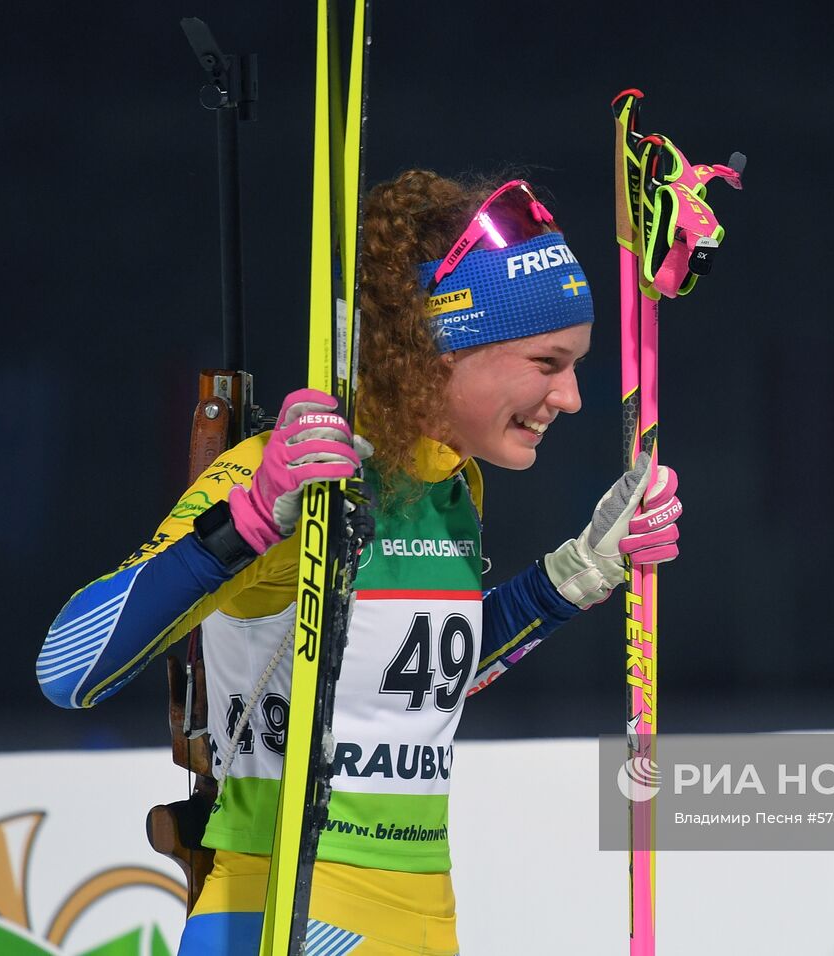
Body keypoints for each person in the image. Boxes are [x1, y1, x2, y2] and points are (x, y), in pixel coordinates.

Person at [35, 170, 683, 955]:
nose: (572, 397)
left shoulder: (453, 485)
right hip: (284, 907)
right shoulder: (282, 475)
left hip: (421, 917)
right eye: (547, 363)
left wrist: (576, 574)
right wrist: (245, 522)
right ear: (443, 347)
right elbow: (69, 670)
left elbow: (419, 689)